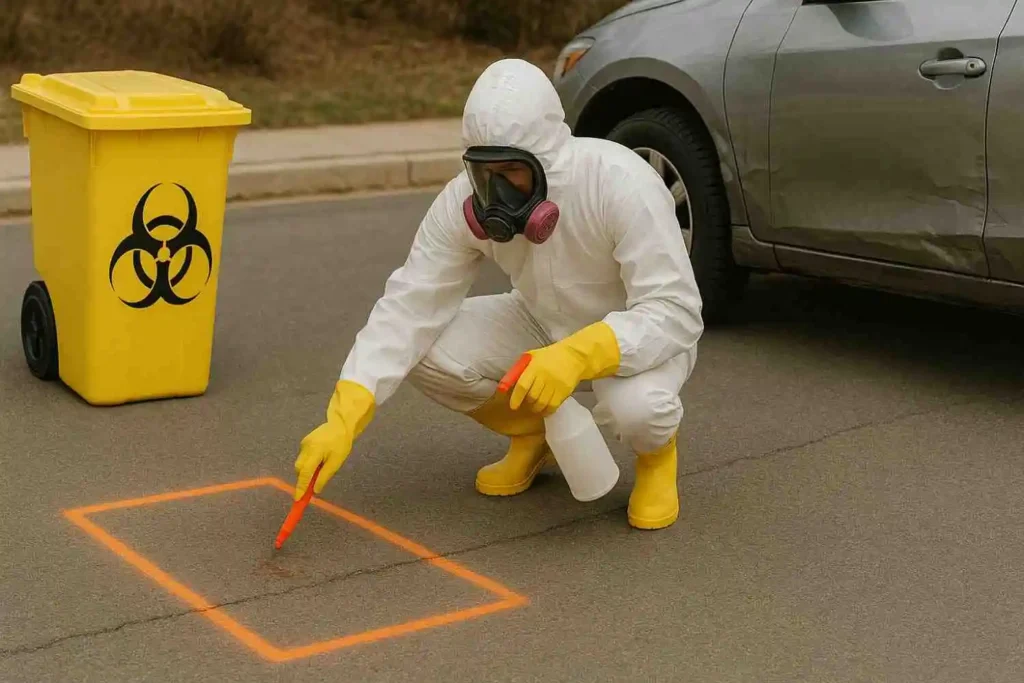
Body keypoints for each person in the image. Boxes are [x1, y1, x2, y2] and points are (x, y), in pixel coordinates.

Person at [293, 58, 703, 529]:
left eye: (512, 172)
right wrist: (344, 417)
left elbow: (676, 312)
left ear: (547, 162)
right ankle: (535, 436)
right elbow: (409, 304)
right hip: (540, 322)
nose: (496, 192)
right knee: (427, 351)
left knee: (638, 410)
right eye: (485, 173)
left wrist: (580, 354)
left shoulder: (621, 183)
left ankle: (656, 456)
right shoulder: (460, 203)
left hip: (634, 336)